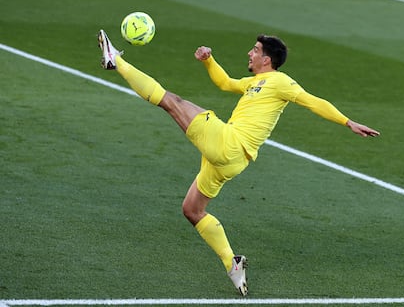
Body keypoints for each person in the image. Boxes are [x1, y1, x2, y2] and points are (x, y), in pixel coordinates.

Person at [97, 30, 380, 296]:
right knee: (192, 210)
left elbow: (312, 101)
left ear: (266, 59)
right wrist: (209, 61)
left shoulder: (281, 82)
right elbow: (225, 83)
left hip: (231, 145)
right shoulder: (254, 83)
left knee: (172, 102)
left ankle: (117, 62)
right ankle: (233, 265)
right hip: (230, 160)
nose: (250, 53)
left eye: (255, 50)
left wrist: (347, 122)